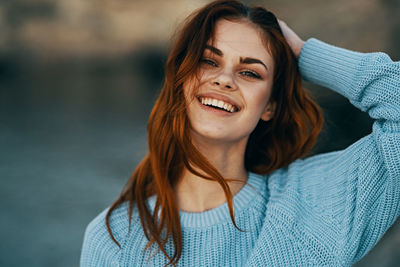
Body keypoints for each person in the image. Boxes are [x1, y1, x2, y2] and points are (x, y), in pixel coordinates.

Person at [80, 0, 400, 266]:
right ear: (181, 80)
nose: (225, 79)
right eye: (208, 61)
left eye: (250, 71)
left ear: (270, 106)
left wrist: (303, 53)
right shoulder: (118, 238)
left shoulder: (315, 201)